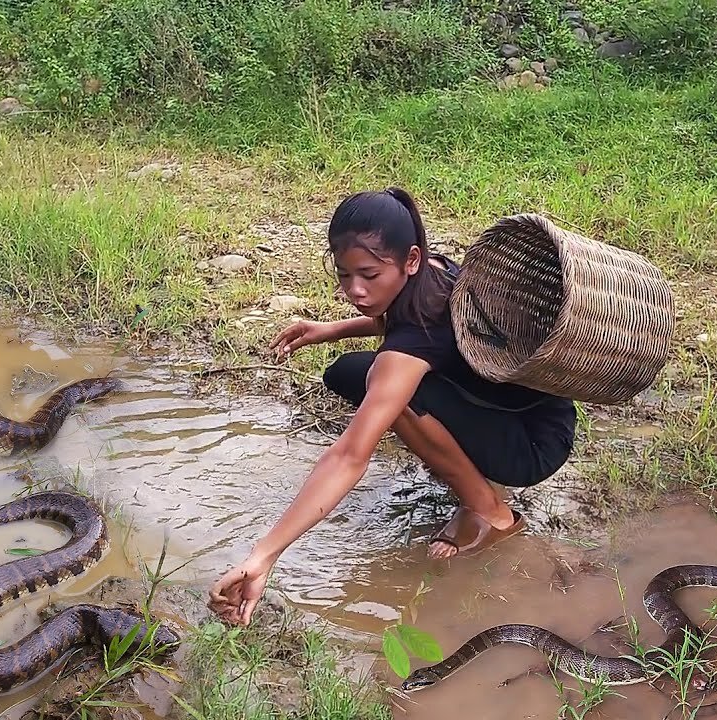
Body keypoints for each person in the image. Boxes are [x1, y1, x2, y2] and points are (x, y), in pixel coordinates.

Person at [208, 187, 578, 626]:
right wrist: (332, 329)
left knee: (391, 393)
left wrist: (264, 554)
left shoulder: (408, 347)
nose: (355, 290)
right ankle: (462, 456)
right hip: (517, 409)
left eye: (368, 275)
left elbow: (349, 455)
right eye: (345, 276)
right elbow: (401, 315)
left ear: (412, 260)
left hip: (532, 442)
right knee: (347, 371)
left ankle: (491, 511)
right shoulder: (435, 275)